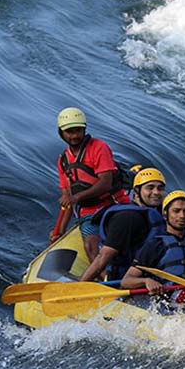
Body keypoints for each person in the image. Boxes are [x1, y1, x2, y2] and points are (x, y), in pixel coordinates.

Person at [54, 107, 130, 261]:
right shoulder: (63, 161)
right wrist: (59, 232)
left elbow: (105, 183)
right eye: (69, 132)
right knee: (91, 246)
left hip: (113, 205)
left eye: (78, 130)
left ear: (84, 129)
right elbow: (67, 199)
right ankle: (105, 280)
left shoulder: (99, 148)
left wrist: (76, 198)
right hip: (88, 213)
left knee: (122, 241)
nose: (74, 136)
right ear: (61, 132)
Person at [79, 167, 167, 282]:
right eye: (150, 188)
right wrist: (81, 284)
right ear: (136, 191)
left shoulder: (158, 214)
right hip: (125, 279)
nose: (156, 192)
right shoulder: (128, 218)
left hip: (149, 274)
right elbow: (103, 256)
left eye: (160, 188)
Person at [120, 190, 185, 294]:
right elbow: (126, 281)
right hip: (168, 302)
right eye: (176, 211)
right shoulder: (156, 245)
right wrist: (146, 281)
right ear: (165, 214)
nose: (182, 216)